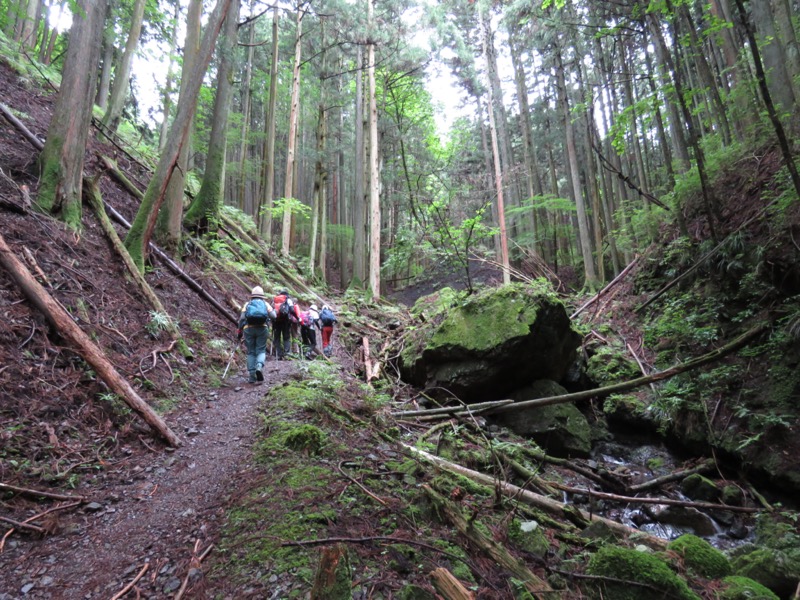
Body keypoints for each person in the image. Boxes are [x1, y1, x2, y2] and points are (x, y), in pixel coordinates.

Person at [237, 286, 275, 383]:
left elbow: (241, 319)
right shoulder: (265, 304)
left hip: (248, 329)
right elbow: (274, 316)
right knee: (261, 350)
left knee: (251, 352)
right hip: (262, 328)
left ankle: (252, 376)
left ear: (252, 296)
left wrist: (239, 332)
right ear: (262, 296)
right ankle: (259, 366)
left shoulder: (247, 304)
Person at [272, 290, 300, 359]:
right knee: (286, 337)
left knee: (277, 338)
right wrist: (297, 317)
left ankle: (278, 354)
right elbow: (292, 310)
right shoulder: (288, 300)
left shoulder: (275, 300)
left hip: (276, 321)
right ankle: (287, 354)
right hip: (285, 321)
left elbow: (271, 310)